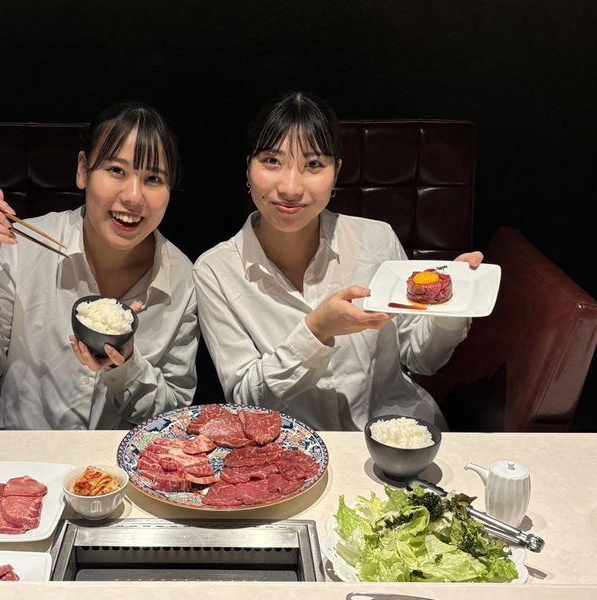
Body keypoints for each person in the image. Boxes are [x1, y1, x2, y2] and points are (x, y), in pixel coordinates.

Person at [193, 91, 483, 431]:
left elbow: (421, 359)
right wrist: (317, 330)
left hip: (392, 433)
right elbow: (247, 399)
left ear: (336, 173)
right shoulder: (215, 271)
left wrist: (452, 304)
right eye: (272, 161)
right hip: (291, 448)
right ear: (248, 167)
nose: (290, 187)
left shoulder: (376, 240)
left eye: (314, 165)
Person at [0, 103, 198, 429]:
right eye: (117, 170)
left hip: (121, 457)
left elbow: (174, 418)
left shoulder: (181, 277)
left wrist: (127, 365)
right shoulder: (22, 248)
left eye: (153, 178)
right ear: (83, 170)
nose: (132, 196)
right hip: (26, 454)